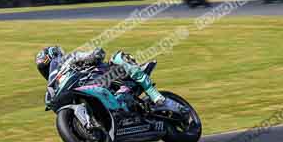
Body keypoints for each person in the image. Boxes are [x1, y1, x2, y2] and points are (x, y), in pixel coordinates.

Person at [35, 46, 180, 113]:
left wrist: (92, 55)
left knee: (118, 57)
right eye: (44, 69)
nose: (48, 71)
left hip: (110, 76)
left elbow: (95, 53)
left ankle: (158, 98)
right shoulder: (57, 83)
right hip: (88, 90)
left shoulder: (69, 61)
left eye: (48, 66)